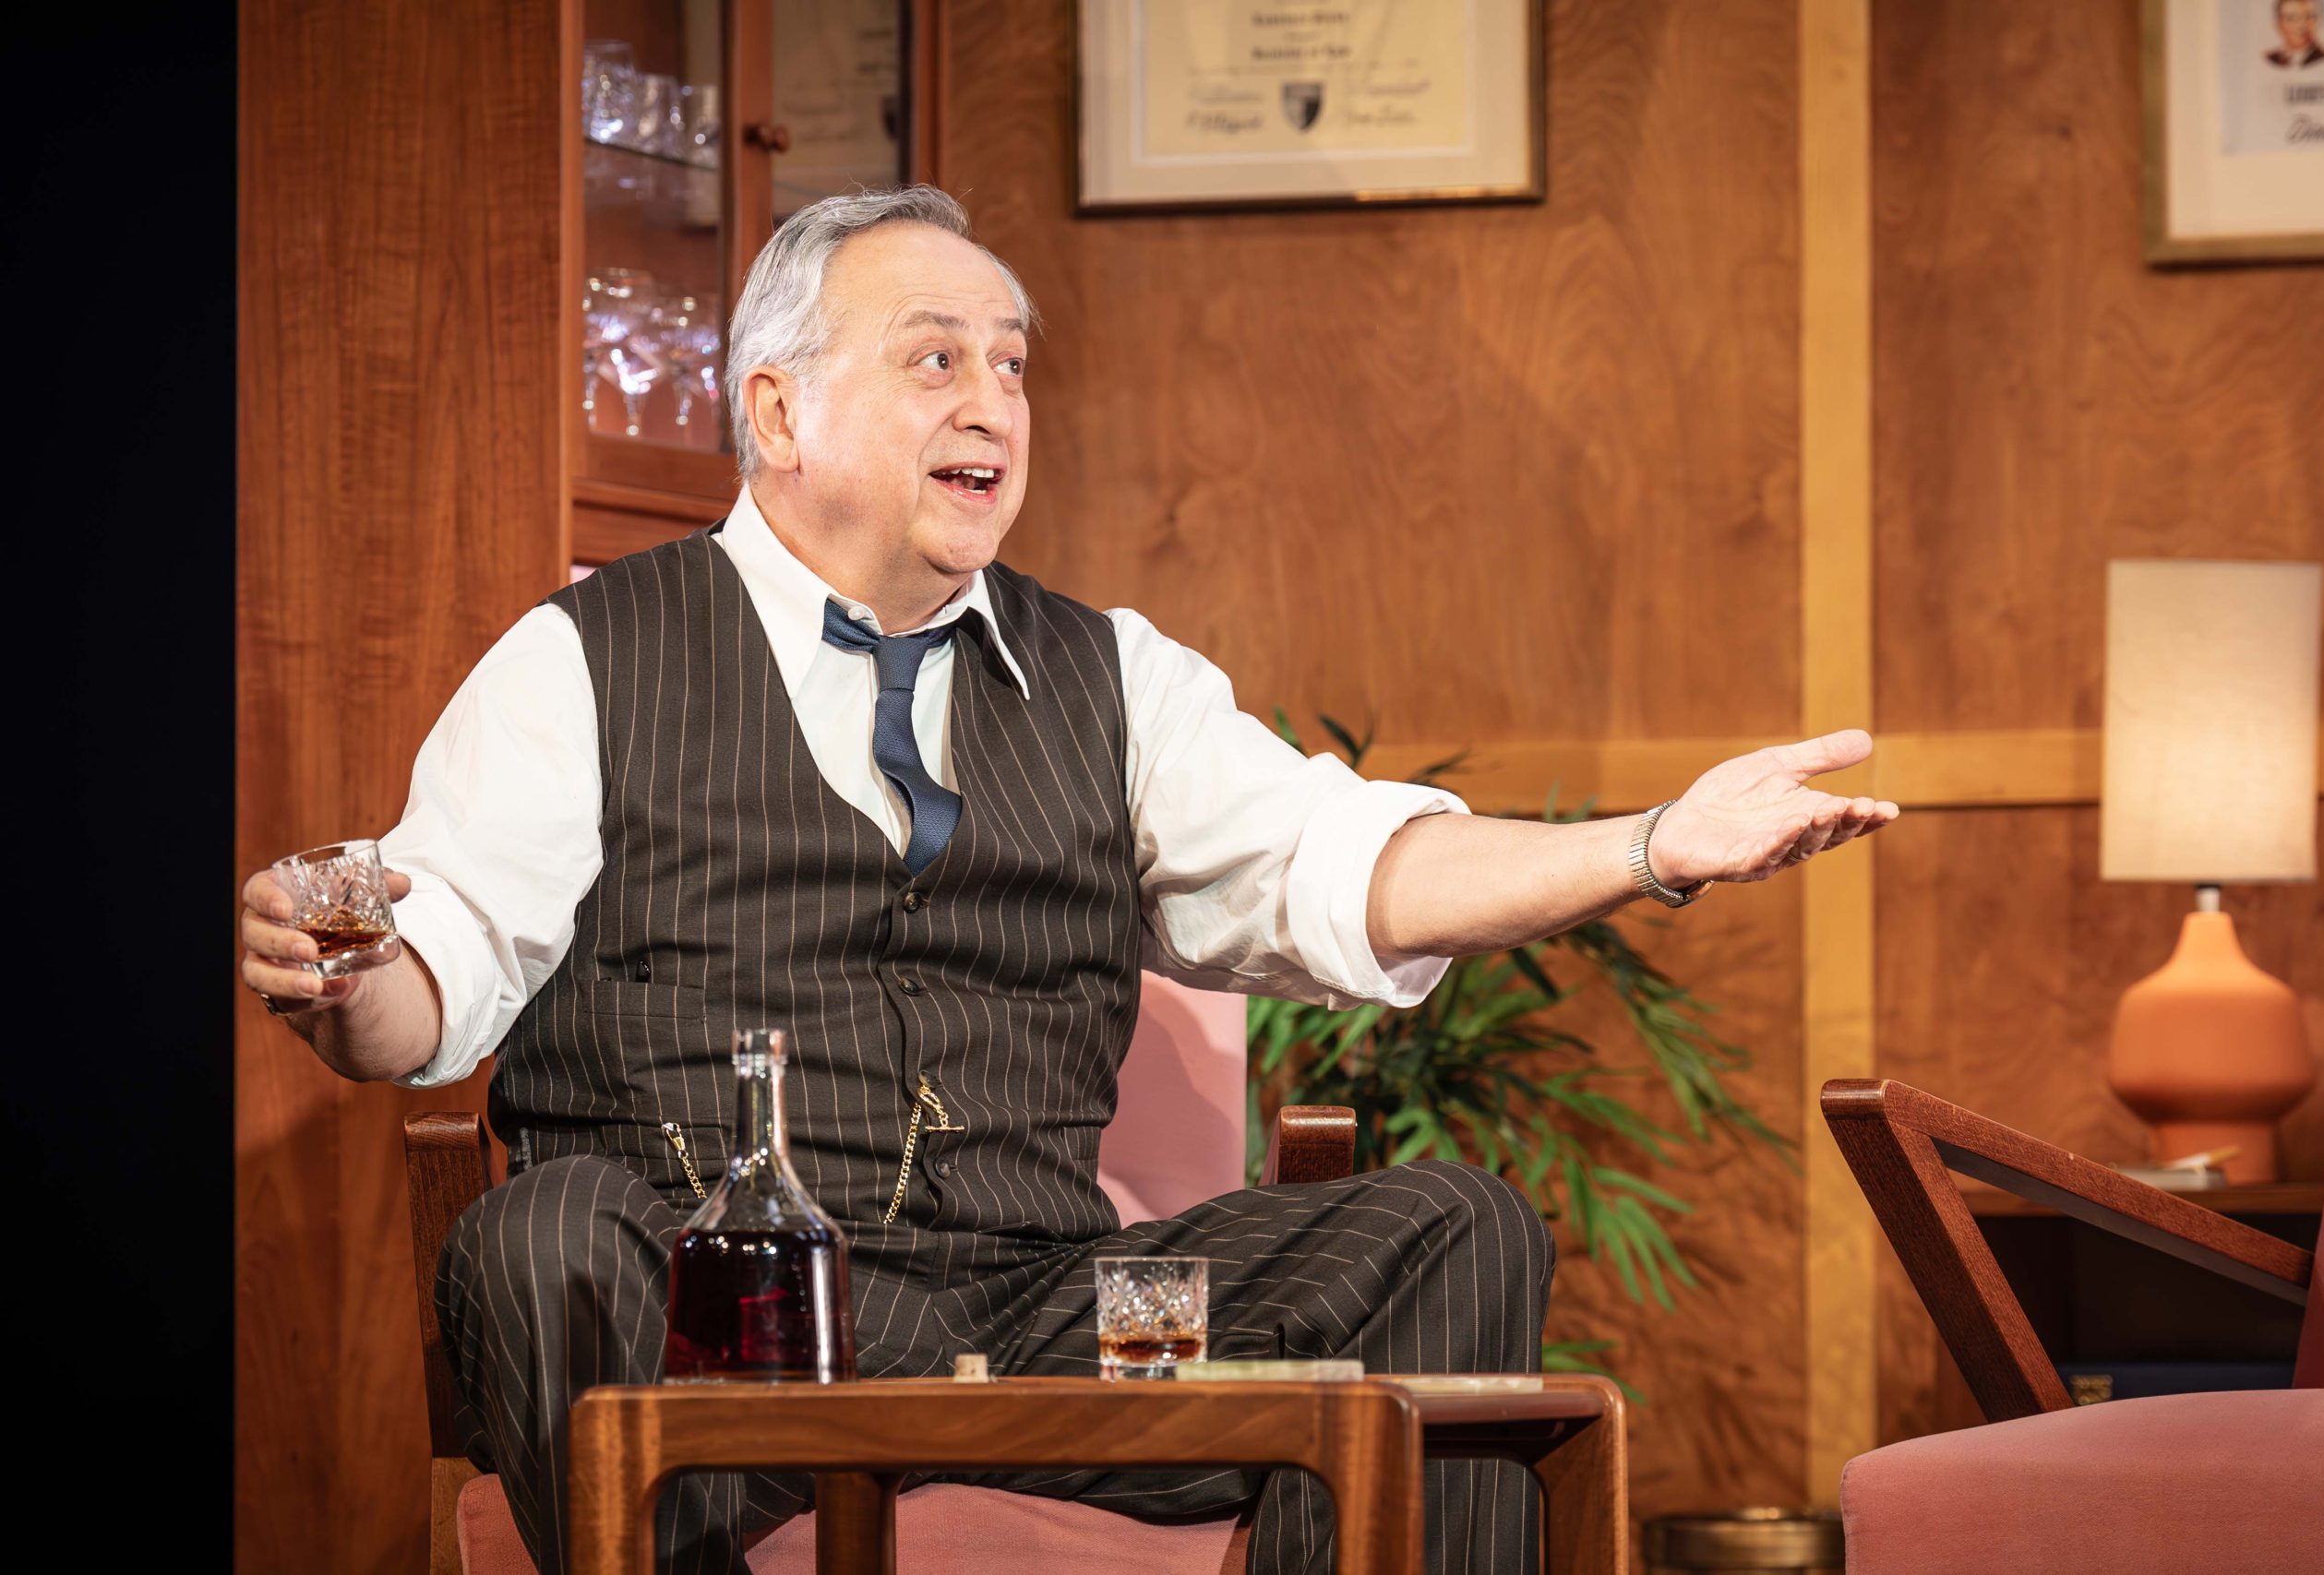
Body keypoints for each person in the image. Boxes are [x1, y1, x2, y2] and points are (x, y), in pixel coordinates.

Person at [237, 185, 1897, 1575]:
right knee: (539, 1233)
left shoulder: (1113, 675)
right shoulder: (584, 658)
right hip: (732, 1329)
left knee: (1452, 1224)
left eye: (1012, 366)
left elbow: (1352, 865)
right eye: (936, 357)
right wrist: (346, 976)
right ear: (776, 408)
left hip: (1050, 1323)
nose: (993, 404)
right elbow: (426, 981)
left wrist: (1648, 849)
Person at [2266, 0, 2324, 66]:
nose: (2301, 25)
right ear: (2278, 24)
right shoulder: (2270, 58)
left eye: (2308, 17)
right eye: (2291, 18)